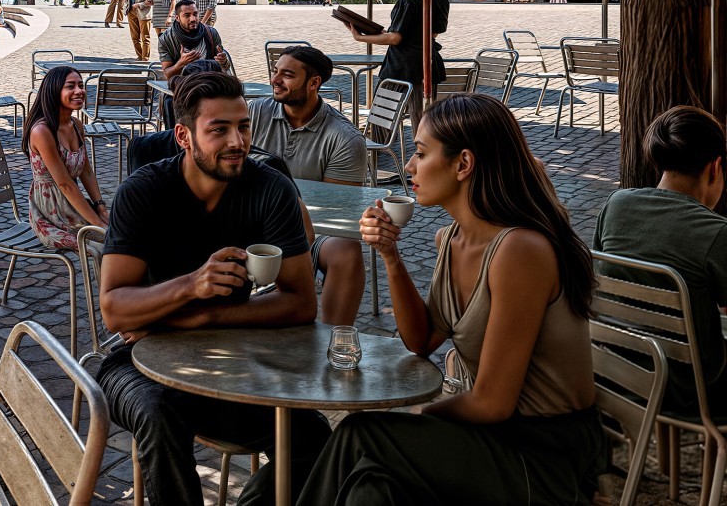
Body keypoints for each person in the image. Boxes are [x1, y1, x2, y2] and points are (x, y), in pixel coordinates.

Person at [273, 94, 600, 506]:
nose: (408, 166)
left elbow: (493, 403)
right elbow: (422, 339)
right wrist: (390, 257)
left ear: (463, 164)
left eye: (421, 153)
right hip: (486, 440)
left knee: (363, 436)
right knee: (371, 488)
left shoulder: (520, 251)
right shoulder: (451, 238)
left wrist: (422, 416)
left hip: (542, 455)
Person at [97, 72, 329, 506]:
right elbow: (115, 310)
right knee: (157, 413)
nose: (237, 141)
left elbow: (301, 303)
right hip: (138, 364)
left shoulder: (270, 188)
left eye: (243, 126)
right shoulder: (143, 192)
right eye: (218, 130)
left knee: (316, 439)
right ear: (184, 136)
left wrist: (202, 315)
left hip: (234, 365)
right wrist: (191, 285)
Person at [593, 105, 727, 414]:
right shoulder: (716, 233)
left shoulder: (616, 205)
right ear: (715, 168)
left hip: (617, 370)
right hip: (690, 390)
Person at [249, 44, 370, 325]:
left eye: (287, 75)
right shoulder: (254, 114)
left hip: (308, 229)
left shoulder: (345, 139)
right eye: (275, 71)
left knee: (346, 250)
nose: (275, 80)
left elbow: (334, 215)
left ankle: (331, 340)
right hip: (246, 216)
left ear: (314, 83)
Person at [24, 65, 107, 252]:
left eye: (80, 85)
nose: (79, 91)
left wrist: (100, 208)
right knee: (108, 244)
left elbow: (86, 172)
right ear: (54, 91)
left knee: (130, 230)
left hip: (75, 203)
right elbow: (65, 185)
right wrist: (98, 224)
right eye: (70, 86)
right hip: (52, 212)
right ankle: (111, 282)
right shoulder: (42, 131)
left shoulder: (77, 125)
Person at [347, 0, 448, 94]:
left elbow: (395, 38)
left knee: (384, 114)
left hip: (401, 69)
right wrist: (388, 33)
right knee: (423, 114)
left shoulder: (407, 1)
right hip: (429, 65)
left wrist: (359, 37)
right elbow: (432, 34)